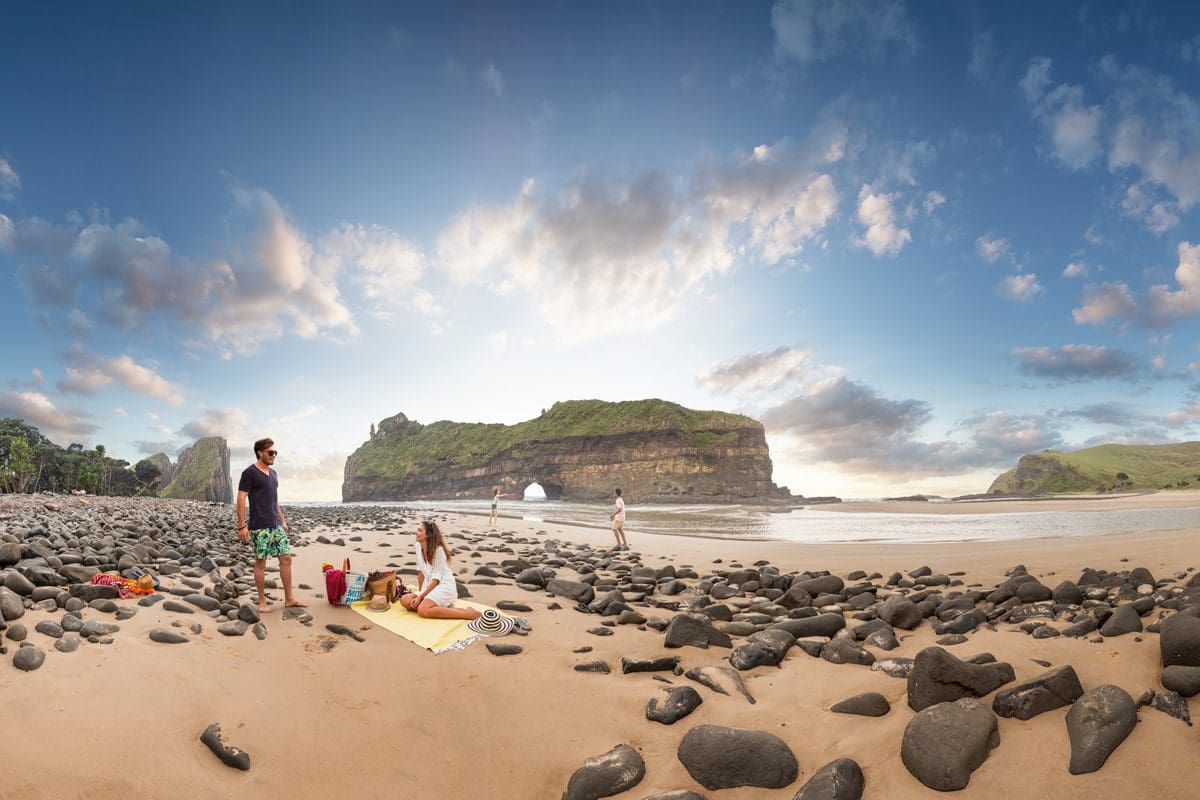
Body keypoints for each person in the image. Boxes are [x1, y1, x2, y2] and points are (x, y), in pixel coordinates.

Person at [235, 437, 306, 614]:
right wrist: (241, 526)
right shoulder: (249, 473)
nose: (274, 455)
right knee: (261, 563)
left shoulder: (273, 474)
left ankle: (289, 599)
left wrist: (282, 520)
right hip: (259, 526)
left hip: (275, 525)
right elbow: (241, 497)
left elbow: (274, 499)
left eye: (275, 452)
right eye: (271, 452)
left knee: (286, 559)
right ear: (260, 452)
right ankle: (262, 601)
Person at [399, 520, 481, 620]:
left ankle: (467, 614)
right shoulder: (418, 545)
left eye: (420, 530)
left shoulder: (438, 551)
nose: (416, 532)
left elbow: (436, 580)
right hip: (429, 585)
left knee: (422, 611)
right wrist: (421, 594)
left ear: (428, 535)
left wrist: (420, 597)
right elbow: (420, 571)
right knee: (404, 600)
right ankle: (441, 607)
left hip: (443, 585)